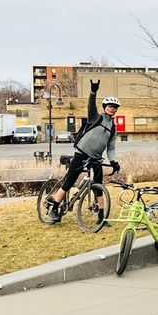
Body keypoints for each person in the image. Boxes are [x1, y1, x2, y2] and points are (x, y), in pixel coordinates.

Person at [46, 80, 120, 224]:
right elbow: (90, 105)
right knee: (69, 182)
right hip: (81, 153)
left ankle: (101, 217)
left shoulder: (113, 127)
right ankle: (54, 208)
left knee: (98, 188)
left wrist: (113, 161)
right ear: (105, 107)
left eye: (115, 107)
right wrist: (93, 92)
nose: (113, 109)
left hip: (96, 158)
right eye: (110, 106)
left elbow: (111, 147)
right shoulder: (96, 118)